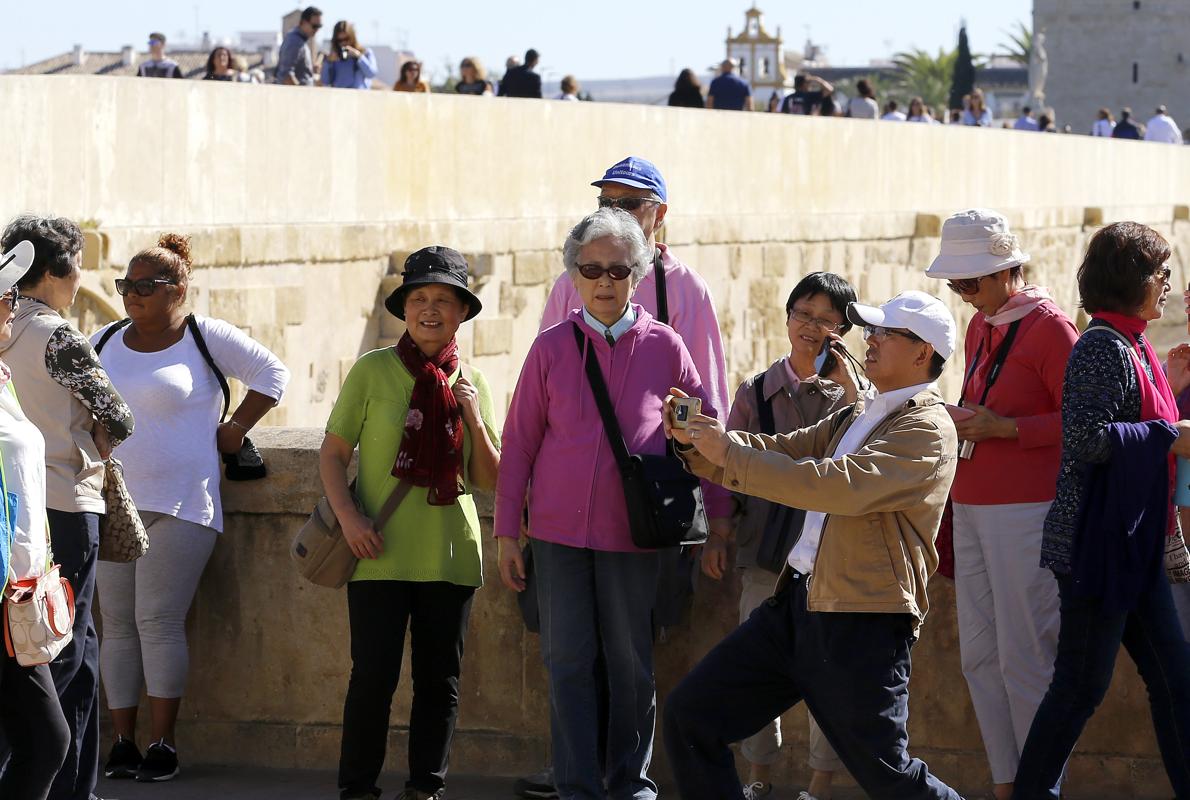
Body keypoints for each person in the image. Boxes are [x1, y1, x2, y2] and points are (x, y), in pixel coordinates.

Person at [663, 289, 964, 800]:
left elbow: (834, 484)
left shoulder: (927, 430)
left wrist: (725, 454)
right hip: (796, 607)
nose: (871, 339)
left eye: (887, 333)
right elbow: (781, 451)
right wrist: (701, 443)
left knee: (889, 777)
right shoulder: (860, 414)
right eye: (873, 329)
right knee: (690, 718)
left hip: (861, 622)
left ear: (922, 353)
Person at [518, 156, 733, 800]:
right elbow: (538, 411)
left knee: (631, 656)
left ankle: (625, 778)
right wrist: (512, 525)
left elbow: (708, 408)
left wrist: (718, 513)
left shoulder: (682, 302)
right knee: (571, 658)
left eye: (630, 203)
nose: (604, 280)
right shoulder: (568, 300)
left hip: (639, 517)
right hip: (563, 522)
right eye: (606, 201)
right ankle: (577, 779)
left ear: (658, 219)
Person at [93, 234, 289, 784]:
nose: (133, 296)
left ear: (179, 288)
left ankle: (164, 744)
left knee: (156, 620)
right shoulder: (104, 338)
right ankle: (123, 744)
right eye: (125, 286)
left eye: (146, 287)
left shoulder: (204, 336)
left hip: (183, 503)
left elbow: (273, 375)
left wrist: (236, 429)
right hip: (112, 503)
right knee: (119, 627)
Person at [1013, 222, 1190, 798]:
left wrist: (1170, 396)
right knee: (1078, 689)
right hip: (1099, 547)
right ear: (1133, 280)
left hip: (1131, 545)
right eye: (1161, 274)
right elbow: (1084, 437)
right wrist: (1167, 434)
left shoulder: (1133, 344)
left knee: (1174, 681)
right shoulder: (1100, 346)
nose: (1167, 285)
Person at [322, 247, 499, 800]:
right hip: (377, 552)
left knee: (438, 685)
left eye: (442, 300)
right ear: (404, 308)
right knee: (371, 681)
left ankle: (426, 788)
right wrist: (349, 518)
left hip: (450, 554)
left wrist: (470, 412)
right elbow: (331, 455)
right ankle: (357, 790)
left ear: (461, 312)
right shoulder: (373, 370)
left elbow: (490, 477)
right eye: (419, 299)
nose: (429, 310)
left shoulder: (477, 381)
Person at [923, 210, 1077, 800]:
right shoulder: (985, 324)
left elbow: (1088, 423)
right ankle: (1008, 786)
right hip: (975, 504)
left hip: (1025, 510)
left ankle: (1043, 789)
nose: (964, 296)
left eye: (972, 283)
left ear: (1008, 271)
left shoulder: (1051, 328)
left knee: (1025, 661)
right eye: (957, 285)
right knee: (979, 660)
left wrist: (1006, 430)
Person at [710, 273, 861, 800]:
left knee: (829, 675)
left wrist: (849, 388)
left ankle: (818, 786)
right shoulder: (756, 391)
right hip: (765, 552)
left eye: (826, 320)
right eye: (804, 314)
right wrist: (718, 534)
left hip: (829, 555)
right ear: (788, 315)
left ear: (844, 329)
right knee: (756, 669)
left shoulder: (855, 397)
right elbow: (726, 463)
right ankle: (760, 778)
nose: (812, 328)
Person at [0, 216, 135, 800]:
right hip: (64, 510)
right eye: (78, 264)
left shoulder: (8, 336)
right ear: (55, 271)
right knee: (61, 650)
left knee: (81, 653)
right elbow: (120, 417)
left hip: (24, 516)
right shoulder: (58, 336)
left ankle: (77, 785)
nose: (83, 278)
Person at [0, 246, 72, 800]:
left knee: (35, 740)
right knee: (46, 739)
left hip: (20, 589)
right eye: (5, 300)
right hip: (2, 593)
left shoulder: (3, 374)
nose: (11, 310)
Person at [320, 21, 377, 90]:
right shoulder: (333, 56)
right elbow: (325, 81)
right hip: (339, 96)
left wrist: (359, 56)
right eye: (340, 40)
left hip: (358, 97)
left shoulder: (365, 52)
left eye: (346, 39)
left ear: (352, 37)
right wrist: (328, 62)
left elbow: (371, 74)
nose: (343, 43)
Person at [275, 6, 321, 86]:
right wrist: (300, 93)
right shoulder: (294, 41)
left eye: (319, 26)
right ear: (303, 22)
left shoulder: (299, 41)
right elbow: (287, 75)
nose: (317, 30)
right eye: (314, 26)